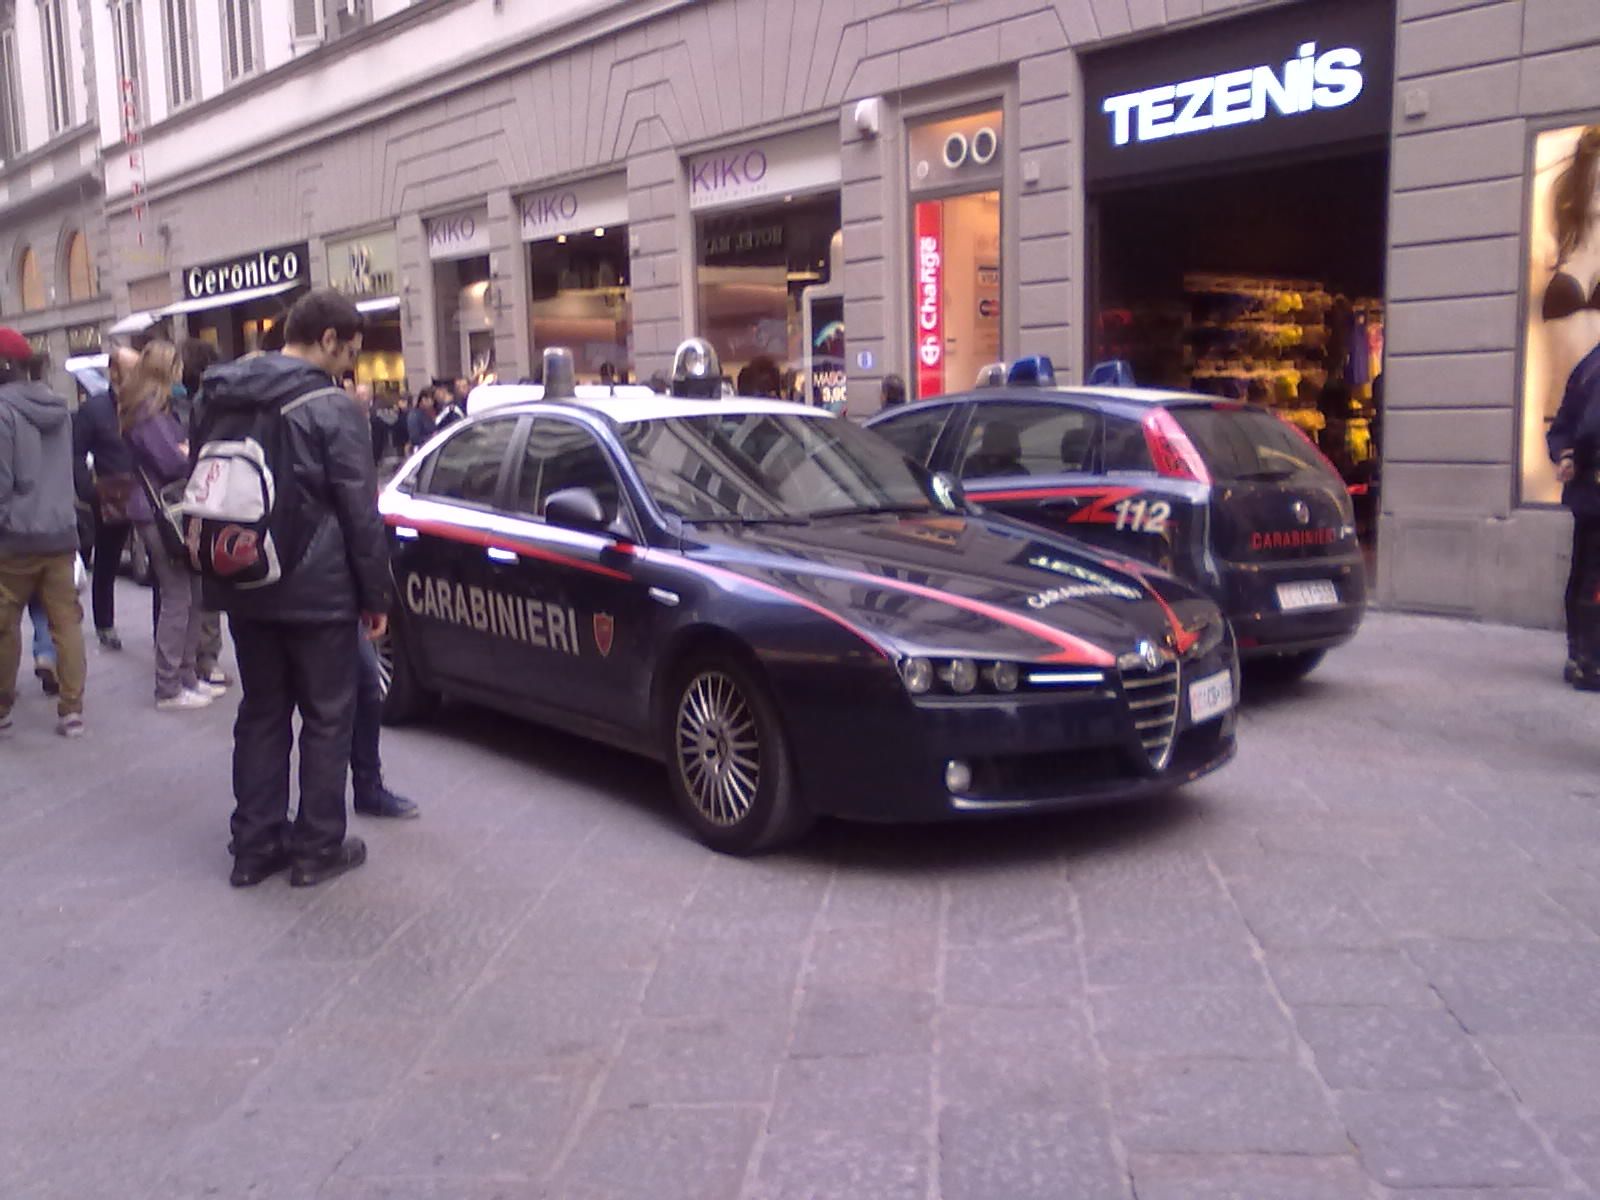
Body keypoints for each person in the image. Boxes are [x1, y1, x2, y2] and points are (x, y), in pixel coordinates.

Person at [195, 289, 391, 887]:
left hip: (245, 578)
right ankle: (316, 848)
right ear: (328, 339)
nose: (348, 368)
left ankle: (254, 846)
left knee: (262, 711)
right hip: (318, 591)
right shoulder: (332, 408)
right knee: (328, 717)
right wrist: (376, 597)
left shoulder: (220, 394)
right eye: (349, 353)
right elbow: (360, 511)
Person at [0, 326, 87, 737]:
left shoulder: (2, 411)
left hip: (16, 537)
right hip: (60, 531)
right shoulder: (57, 405)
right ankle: (72, 710)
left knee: (4, 625)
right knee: (65, 623)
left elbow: (2, 481)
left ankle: (2, 705)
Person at [121, 342, 215, 711]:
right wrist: (189, 453)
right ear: (165, 369)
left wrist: (185, 451)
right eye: (176, 365)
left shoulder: (154, 409)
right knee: (178, 597)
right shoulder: (148, 412)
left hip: (165, 509)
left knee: (190, 594)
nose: (181, 372)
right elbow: (172, 462)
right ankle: (169, 685)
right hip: (159, 511)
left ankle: (185, 677)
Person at [74, 346, 141, 652]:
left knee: (158, 565)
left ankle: (162, 630)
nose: (137, 375)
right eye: (131, 370)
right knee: (107, 561)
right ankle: (105, 623)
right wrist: (88, 490)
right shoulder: (94, 410)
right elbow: (76, 453)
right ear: (114, 373)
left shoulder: (145, 404)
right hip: (112, 496)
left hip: (147, 492)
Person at [1548, 338, 1600, 687]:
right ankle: (1591, 661)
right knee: (1592, 575)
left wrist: (1566, 456)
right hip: (1593, 485)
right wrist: (1574, 455)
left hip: (1587, 491)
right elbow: (1590, 426)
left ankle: (1579, 655)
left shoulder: (1588, 365)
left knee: (1584, 570)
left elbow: (1562, 427)